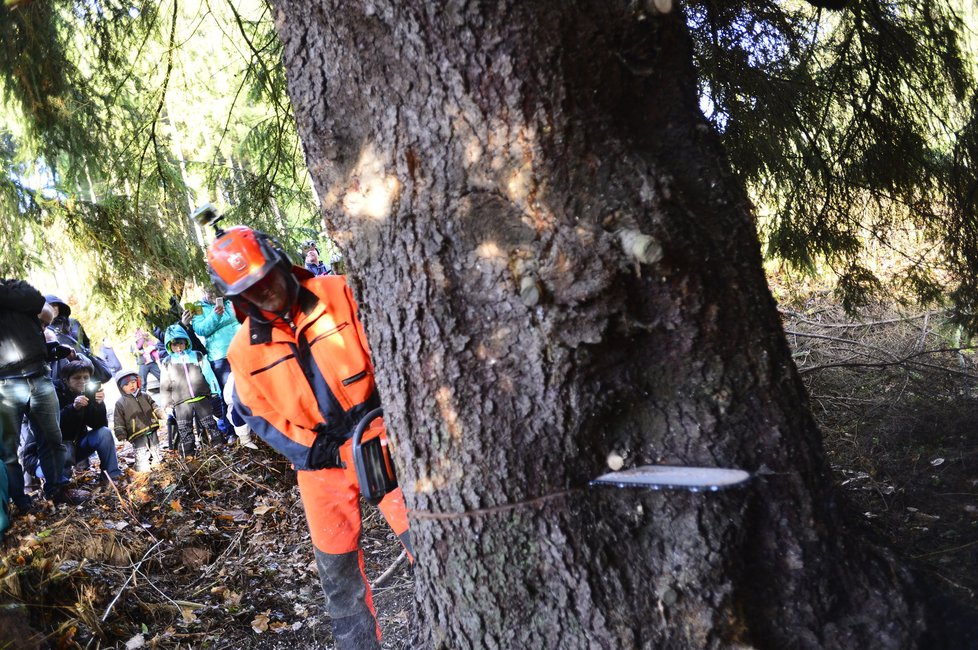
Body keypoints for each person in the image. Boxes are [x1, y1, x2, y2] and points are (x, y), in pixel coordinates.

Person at [208, 224, 412, 650]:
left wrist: (386, 413)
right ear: (238, 297)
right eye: (251, 288)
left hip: (375, 434)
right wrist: (310, 451)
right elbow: (257, 413)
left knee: (425, 535)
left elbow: (389, 350)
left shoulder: (337, 293)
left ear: (281, 263)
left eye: (266, 278)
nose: (264, 291)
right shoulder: (243, 352)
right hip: (319, 464)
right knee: (337, 574)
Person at [0, 280, 76, 508]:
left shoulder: (13, 287)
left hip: (39, 376)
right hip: (5, 383)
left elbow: (36, 300)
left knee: (52, 438)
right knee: (8, 449)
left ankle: (57, 489)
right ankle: (21, 501)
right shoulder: (14, 295)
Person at [54, 359, 123, 484]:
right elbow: (55, 425)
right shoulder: (55, 392)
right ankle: (60, 485)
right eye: (77, 378)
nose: (82, 381)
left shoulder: (89, 392)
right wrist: (73, 408)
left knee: (104, 432)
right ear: (66, 380)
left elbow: (99, 426)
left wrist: (99, 404)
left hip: (79, 444)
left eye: (86, 377)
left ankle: (112, 475)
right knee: (63, 483)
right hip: (57, 448)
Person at [159, 323, 222, 456]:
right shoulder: (167, 362)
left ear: (186, 342)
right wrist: (166, 403)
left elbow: (208, 373)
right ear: (169, 346)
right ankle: (188, 453)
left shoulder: (197, 356)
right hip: (181, 402)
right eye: (175, 345)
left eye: (181, 343)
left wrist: (215, 389)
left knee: (210, 423)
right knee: (184, 428)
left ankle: (219, 444)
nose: (179, 348)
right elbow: (165, 384)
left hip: (201, 397)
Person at [189, 290, 240, 440]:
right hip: (220, 357)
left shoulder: (230, 301)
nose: (215, 292)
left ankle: (252, 427)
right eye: (210, 288)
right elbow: (201, 329)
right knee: (227, 395)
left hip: (241, 350)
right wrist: (215, 315)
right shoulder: (198, 307)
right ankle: (231, 432)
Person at [112, 369, 164, 472]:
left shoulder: (144, 395)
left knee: (155, 446)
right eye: (126, 385)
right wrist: (120, 433)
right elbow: (118, 419)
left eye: (133, 382)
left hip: (151, 426)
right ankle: (142, 466)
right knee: (141, 450)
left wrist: (160, 413)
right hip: (136, 432)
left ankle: (157, 461)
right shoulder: (120, 403)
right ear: (121, 388)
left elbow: (154, 405)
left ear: (137, 382)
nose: (131, 386)